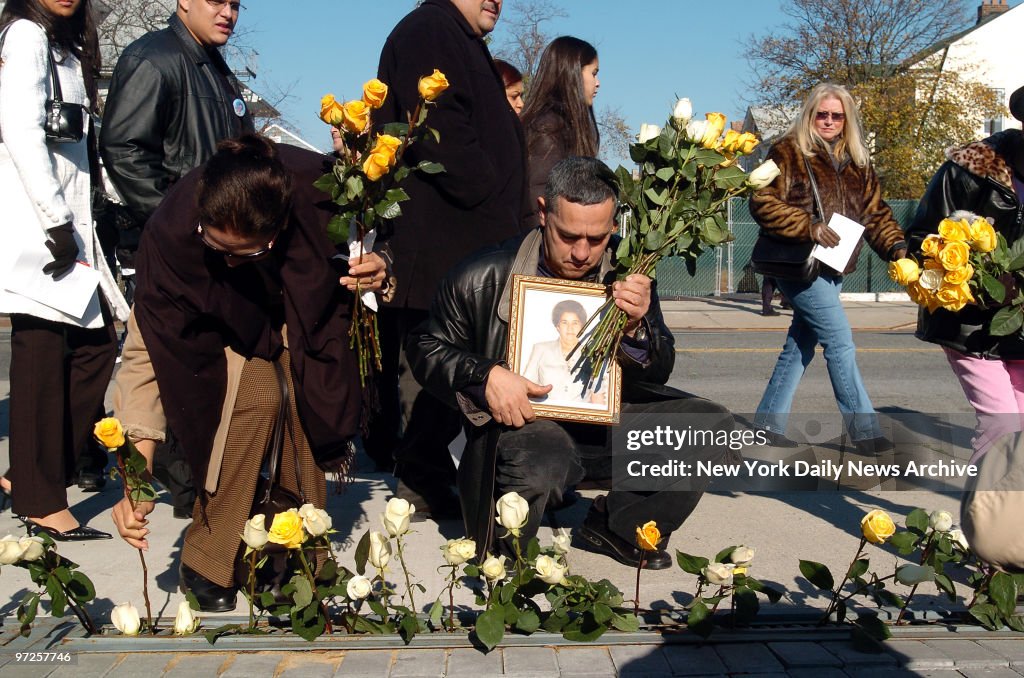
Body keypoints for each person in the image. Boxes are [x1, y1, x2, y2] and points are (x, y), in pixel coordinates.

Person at [407, 156, 734, 569]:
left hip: (605, 426)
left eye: (596, 239)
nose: (582, 252)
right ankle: (508, 559)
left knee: (711, 426)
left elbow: (659, 367)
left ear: (614, 225)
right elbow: (425, 345)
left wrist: (636, 331)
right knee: (544, 455)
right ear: (544, 213)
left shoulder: (629, 271)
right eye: (568, 235)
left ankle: (620, 525)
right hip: (525, 429)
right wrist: (485, 376)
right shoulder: (481, 275)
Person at [110, 134, 385, 611]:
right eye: (217, 247)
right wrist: (136, 476)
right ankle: (208, 554)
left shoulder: (318, 194)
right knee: (258, 395)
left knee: (306, 396)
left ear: (277, 232)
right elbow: (144, 354)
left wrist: (383, 265)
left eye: (247, 253)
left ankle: (294, 554)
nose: (229, 261)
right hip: (215, 333)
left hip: (302, 314)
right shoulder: (171, 236)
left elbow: (383, 240)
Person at [372, 0, 531, 517]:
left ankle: (426, 476)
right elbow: (443, 136)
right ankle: (421, 478)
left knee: (451, 371)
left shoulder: (458, 36)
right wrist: (492, 193)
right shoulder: (429, 31)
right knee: (439, 367)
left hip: (466, 240)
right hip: (448, 243)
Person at [100, 0, 255, 520]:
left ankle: (208, 497)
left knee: (212, 375)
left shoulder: (216, 68)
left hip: (220, 250)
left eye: (236, 3)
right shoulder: (155, 58)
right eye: (217, 0)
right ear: (183, 1)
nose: (229, 12)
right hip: (180, 251)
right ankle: (190, 496)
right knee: (169, 367)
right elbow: (123, 149)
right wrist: (181, 221)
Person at [0, 0, 129, 537]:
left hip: (72, 229)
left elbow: (80, 147)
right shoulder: (27, 35)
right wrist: (55, 220)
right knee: (42, 359)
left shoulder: (66, 47)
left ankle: (26, 475)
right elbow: (21, 131)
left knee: (95, 351)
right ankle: (39, 499)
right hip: (41, 230)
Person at [749, 83, 906, 453]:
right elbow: (761, 201)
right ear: (809, 115)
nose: (829, 121)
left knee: (799, 345)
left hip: (834, 267)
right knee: (840, 343)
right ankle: (865, 432)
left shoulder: (858, 161)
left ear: (847, 119)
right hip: (800, 267)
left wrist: (898, 248)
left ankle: (766, 426)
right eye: (822, 114)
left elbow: (876, 214)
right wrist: (808, 226)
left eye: (837, 115)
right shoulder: (787, 151)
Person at [905, 84, 1024, 459]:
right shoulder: (971, 169)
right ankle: (982, 517)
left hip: (1021, 323)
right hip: (970, 322)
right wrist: (978, 279)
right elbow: (923, 237)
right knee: (1002, 427)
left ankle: (1008, 515)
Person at [520, 36, 600, 214]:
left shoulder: (563, 125)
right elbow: (537, 196)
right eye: (594, 73)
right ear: (573, 72)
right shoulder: (549, 128)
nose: (598, 83)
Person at [522, 300, 605, 404]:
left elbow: (597, 397)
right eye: (564, 322)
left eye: (575, 323)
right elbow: (525, 387)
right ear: (557, 326)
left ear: (582, 326)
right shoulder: (541, 349)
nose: (570, 328)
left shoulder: (593, 355)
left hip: (581, 417)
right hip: (544, 416)